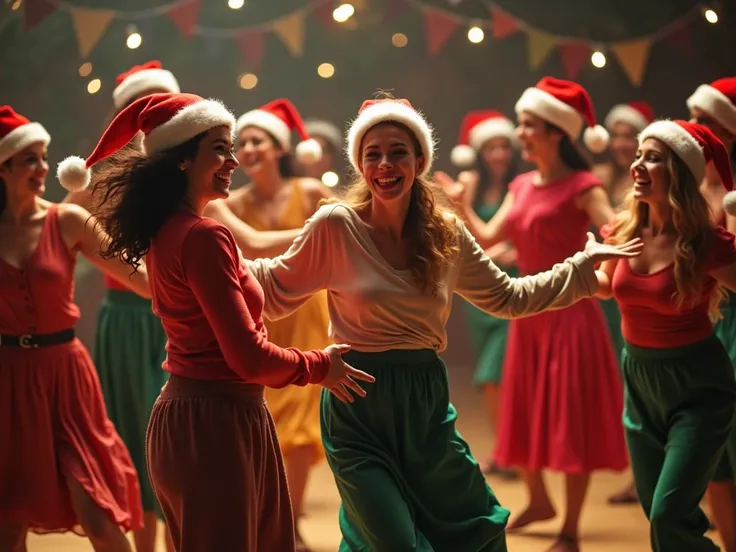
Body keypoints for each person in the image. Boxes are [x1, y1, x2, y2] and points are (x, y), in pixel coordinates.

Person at [245, 96, 642, 551]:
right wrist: (199, 258)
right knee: (393, 541)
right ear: (359, 164)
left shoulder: (445, 233)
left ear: (419, 160)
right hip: (358, 404)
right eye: (372, 154)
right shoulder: (337, 226)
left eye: (397, 152)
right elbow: (270, 288)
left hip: (425, 405)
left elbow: (508, 296)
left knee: (476, 530)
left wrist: (582, 269)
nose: (385, 164)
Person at [56, 92, 374, 552]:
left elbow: (240, 294)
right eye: (220, 149)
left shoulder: (171, 229)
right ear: (183, 159)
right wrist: (320, 366)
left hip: (202, 418)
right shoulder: (204, 235)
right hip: (215, 426)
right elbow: (247, 356)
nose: (234, 161)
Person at [441, 77, 630, 552]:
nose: (520, 133)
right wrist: (461, 206)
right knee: (521, 409)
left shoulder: (583, 185)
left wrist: (606, 263)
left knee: (570, 415)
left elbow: (612, 232)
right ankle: (540, 500)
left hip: (571, 314)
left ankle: (570, 527)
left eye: (528, 126)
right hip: (527, 314)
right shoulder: (522, 185)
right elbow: (485, 236)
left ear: (556, 133)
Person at [0, 105, 148, 551]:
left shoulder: (66, 220)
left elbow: (140, 279)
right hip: (7, 379)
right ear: (2, 168)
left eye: (44, 157)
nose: (43, 168)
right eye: (30, 159)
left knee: (96, 508)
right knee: (8, 522)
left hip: (64, 376)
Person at [599, 119, 736, 552]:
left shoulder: (702, 243)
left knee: (668, 515)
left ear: (677, 172)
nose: (638, 165)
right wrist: (582, 267)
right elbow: (604, 285)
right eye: (639, 155)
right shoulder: (623, 232)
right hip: (640, 383)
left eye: (652, 158)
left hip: (697, 385)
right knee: (657, 513)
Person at [63, 60, 181, 552]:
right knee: (132, 431)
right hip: (127, 321)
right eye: (140, 106)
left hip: (174, 316)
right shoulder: (93, 179)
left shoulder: (185, 171)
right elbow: (64, 238)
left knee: (174, 439)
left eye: (160, 105)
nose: (149, 114)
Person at [212, 98, 332, 552]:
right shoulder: (229, 203)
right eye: (241, 141)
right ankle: (265, 524)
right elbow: (248, 244)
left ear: (279, 147)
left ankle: (292, 526)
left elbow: (353, 227)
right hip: (255, 315)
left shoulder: (311, 192)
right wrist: (319, 231)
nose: (248, 148)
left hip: (305, 315)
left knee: (300, 433)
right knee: (260, 421)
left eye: (257, 139)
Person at [444, 109, 520, 478]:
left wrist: (515, 251)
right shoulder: (471, 182)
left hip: (515, 287)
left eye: (505, 146)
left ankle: (509, 451)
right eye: (491, 147)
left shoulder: (521, 184)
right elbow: (461, 230)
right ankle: (503, 449)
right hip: (477, 291)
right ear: (479, 151)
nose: (499, 154)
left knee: (494, 375)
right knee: (491, 376)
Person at [596, 100, 655, 506]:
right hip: (609, 291)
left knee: (644, 383)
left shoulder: (647, 183)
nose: (619, 143)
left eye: (627, 136)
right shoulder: (601, 179)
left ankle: (651, 476)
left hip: (644, 288)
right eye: (613, 134)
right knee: (625, 384)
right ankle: (643, 474)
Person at [688, 76, 736, 551]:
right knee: (716, 454)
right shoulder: (693, 187)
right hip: (708, 326)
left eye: (705, 120)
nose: (694, 127)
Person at [304, 117, 346, 188]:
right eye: (312, 150)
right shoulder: (288, 188)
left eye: (323, 151)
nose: (318, 157)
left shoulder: (341, 191)